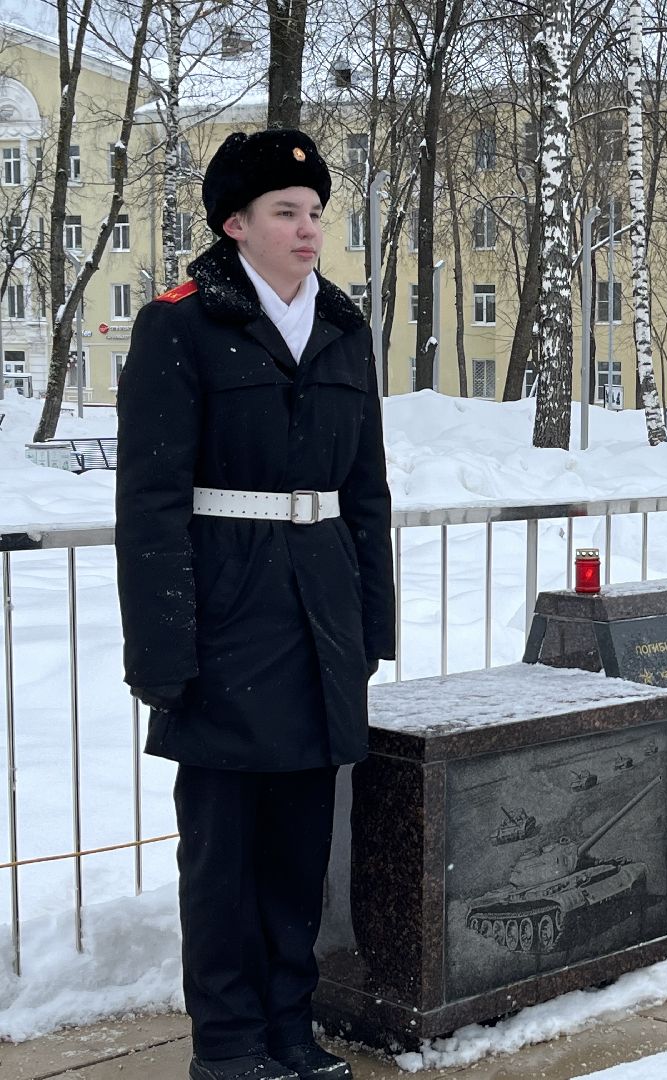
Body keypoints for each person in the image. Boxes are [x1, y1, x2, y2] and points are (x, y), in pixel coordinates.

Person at [115, 129, 395, 1080]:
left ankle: (288, 1026)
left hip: (320, 615)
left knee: (297, 846)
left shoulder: (345, 328)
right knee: (226, 850)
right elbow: (148, 504)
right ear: (236, 224)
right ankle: (229, 1045)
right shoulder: (180, 325)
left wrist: (371, 627)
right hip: (227, 609)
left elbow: (368, 490)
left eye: (315, 211)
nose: (308, 228)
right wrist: (161, 648)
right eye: (286, 211)